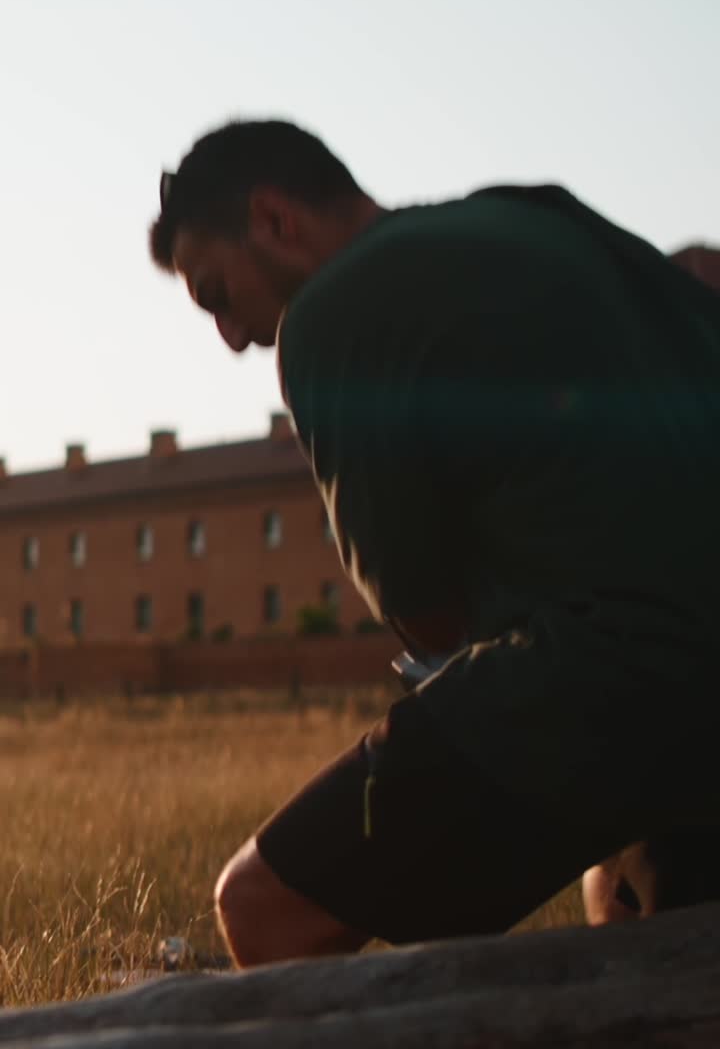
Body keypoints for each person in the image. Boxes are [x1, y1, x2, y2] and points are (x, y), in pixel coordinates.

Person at [150, 119, 720, 967]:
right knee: (642, 915)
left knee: (265, 908)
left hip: (625, 667)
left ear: (273, 220)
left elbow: (431, 622)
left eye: (216, 295)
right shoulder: (540, 215)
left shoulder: (332, 314)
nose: (232, 337)